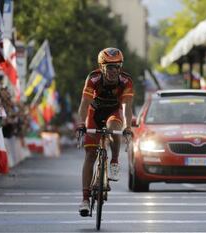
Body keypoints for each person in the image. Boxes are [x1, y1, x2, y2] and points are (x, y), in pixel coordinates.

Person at [76, 47, 134, 217]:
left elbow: (127, 106)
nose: (113, 71)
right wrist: (81, 123)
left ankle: (114, 161)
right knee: (90, 154)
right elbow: (84, 103)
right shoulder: (93, 78)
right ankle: (85, 199)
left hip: (114, 112)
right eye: (109, 67)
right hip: (94, 112)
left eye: (116, 67)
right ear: (101, 67)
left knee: (114, 129)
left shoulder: (126, 80)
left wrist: (128, 127)